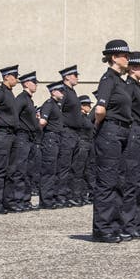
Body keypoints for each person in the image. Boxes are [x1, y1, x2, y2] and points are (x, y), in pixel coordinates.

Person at [92, 39, 132, 243]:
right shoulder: (108, 79)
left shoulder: (120, 81)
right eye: (125, 55)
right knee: (107, 182)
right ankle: (103, 228)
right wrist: (100, 126)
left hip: (122, 132)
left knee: (119, 180)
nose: (128, 59)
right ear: (114, 57)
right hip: (110, 131)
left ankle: (115, 225)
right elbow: (100, 109)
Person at [122, 51, 140, 239]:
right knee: (130, 181)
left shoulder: (139, 88)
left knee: (138, 180)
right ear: (133, 68)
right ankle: (127, 224)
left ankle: (136, 223)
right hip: (132, 133)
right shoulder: (128, 87)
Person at [0, 64, 20, 215]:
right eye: (15, 76)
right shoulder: (0, 92)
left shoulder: (10, 93)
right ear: (7, 77)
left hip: (12, 134)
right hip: (1, 134)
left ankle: (8, 201)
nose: (17, 79)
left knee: (11, 170)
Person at [12, 71, 40, 212]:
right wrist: (19, 131)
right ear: (26, 83)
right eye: (34, 82)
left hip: (30, 138)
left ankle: (25, 200)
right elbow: (14, 116)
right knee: (20, 170)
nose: (36, 85)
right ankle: (18, 199)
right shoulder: (21, 98)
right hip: (22, 137)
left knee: (29, 170)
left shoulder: (29, 99)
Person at [59, 65, 84, 207]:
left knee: (74, 166)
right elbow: (58, 111)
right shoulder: (64, 91)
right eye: (75, 75)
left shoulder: (72, 92)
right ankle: (61, 196)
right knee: (64, 166)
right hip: (67, 132)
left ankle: (69, 195)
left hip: (75, 133)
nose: (77, 77)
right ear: (67, 77)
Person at [39, 81, 66, 209]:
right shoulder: (49, 104)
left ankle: (50, 197)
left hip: (56, 138)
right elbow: (42, 122)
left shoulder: (57, 105)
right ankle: (46, 200)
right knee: (48, 170)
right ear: (53, 91)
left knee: (54, 169)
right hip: (50, 138)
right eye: (60, 90)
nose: (62, 93)